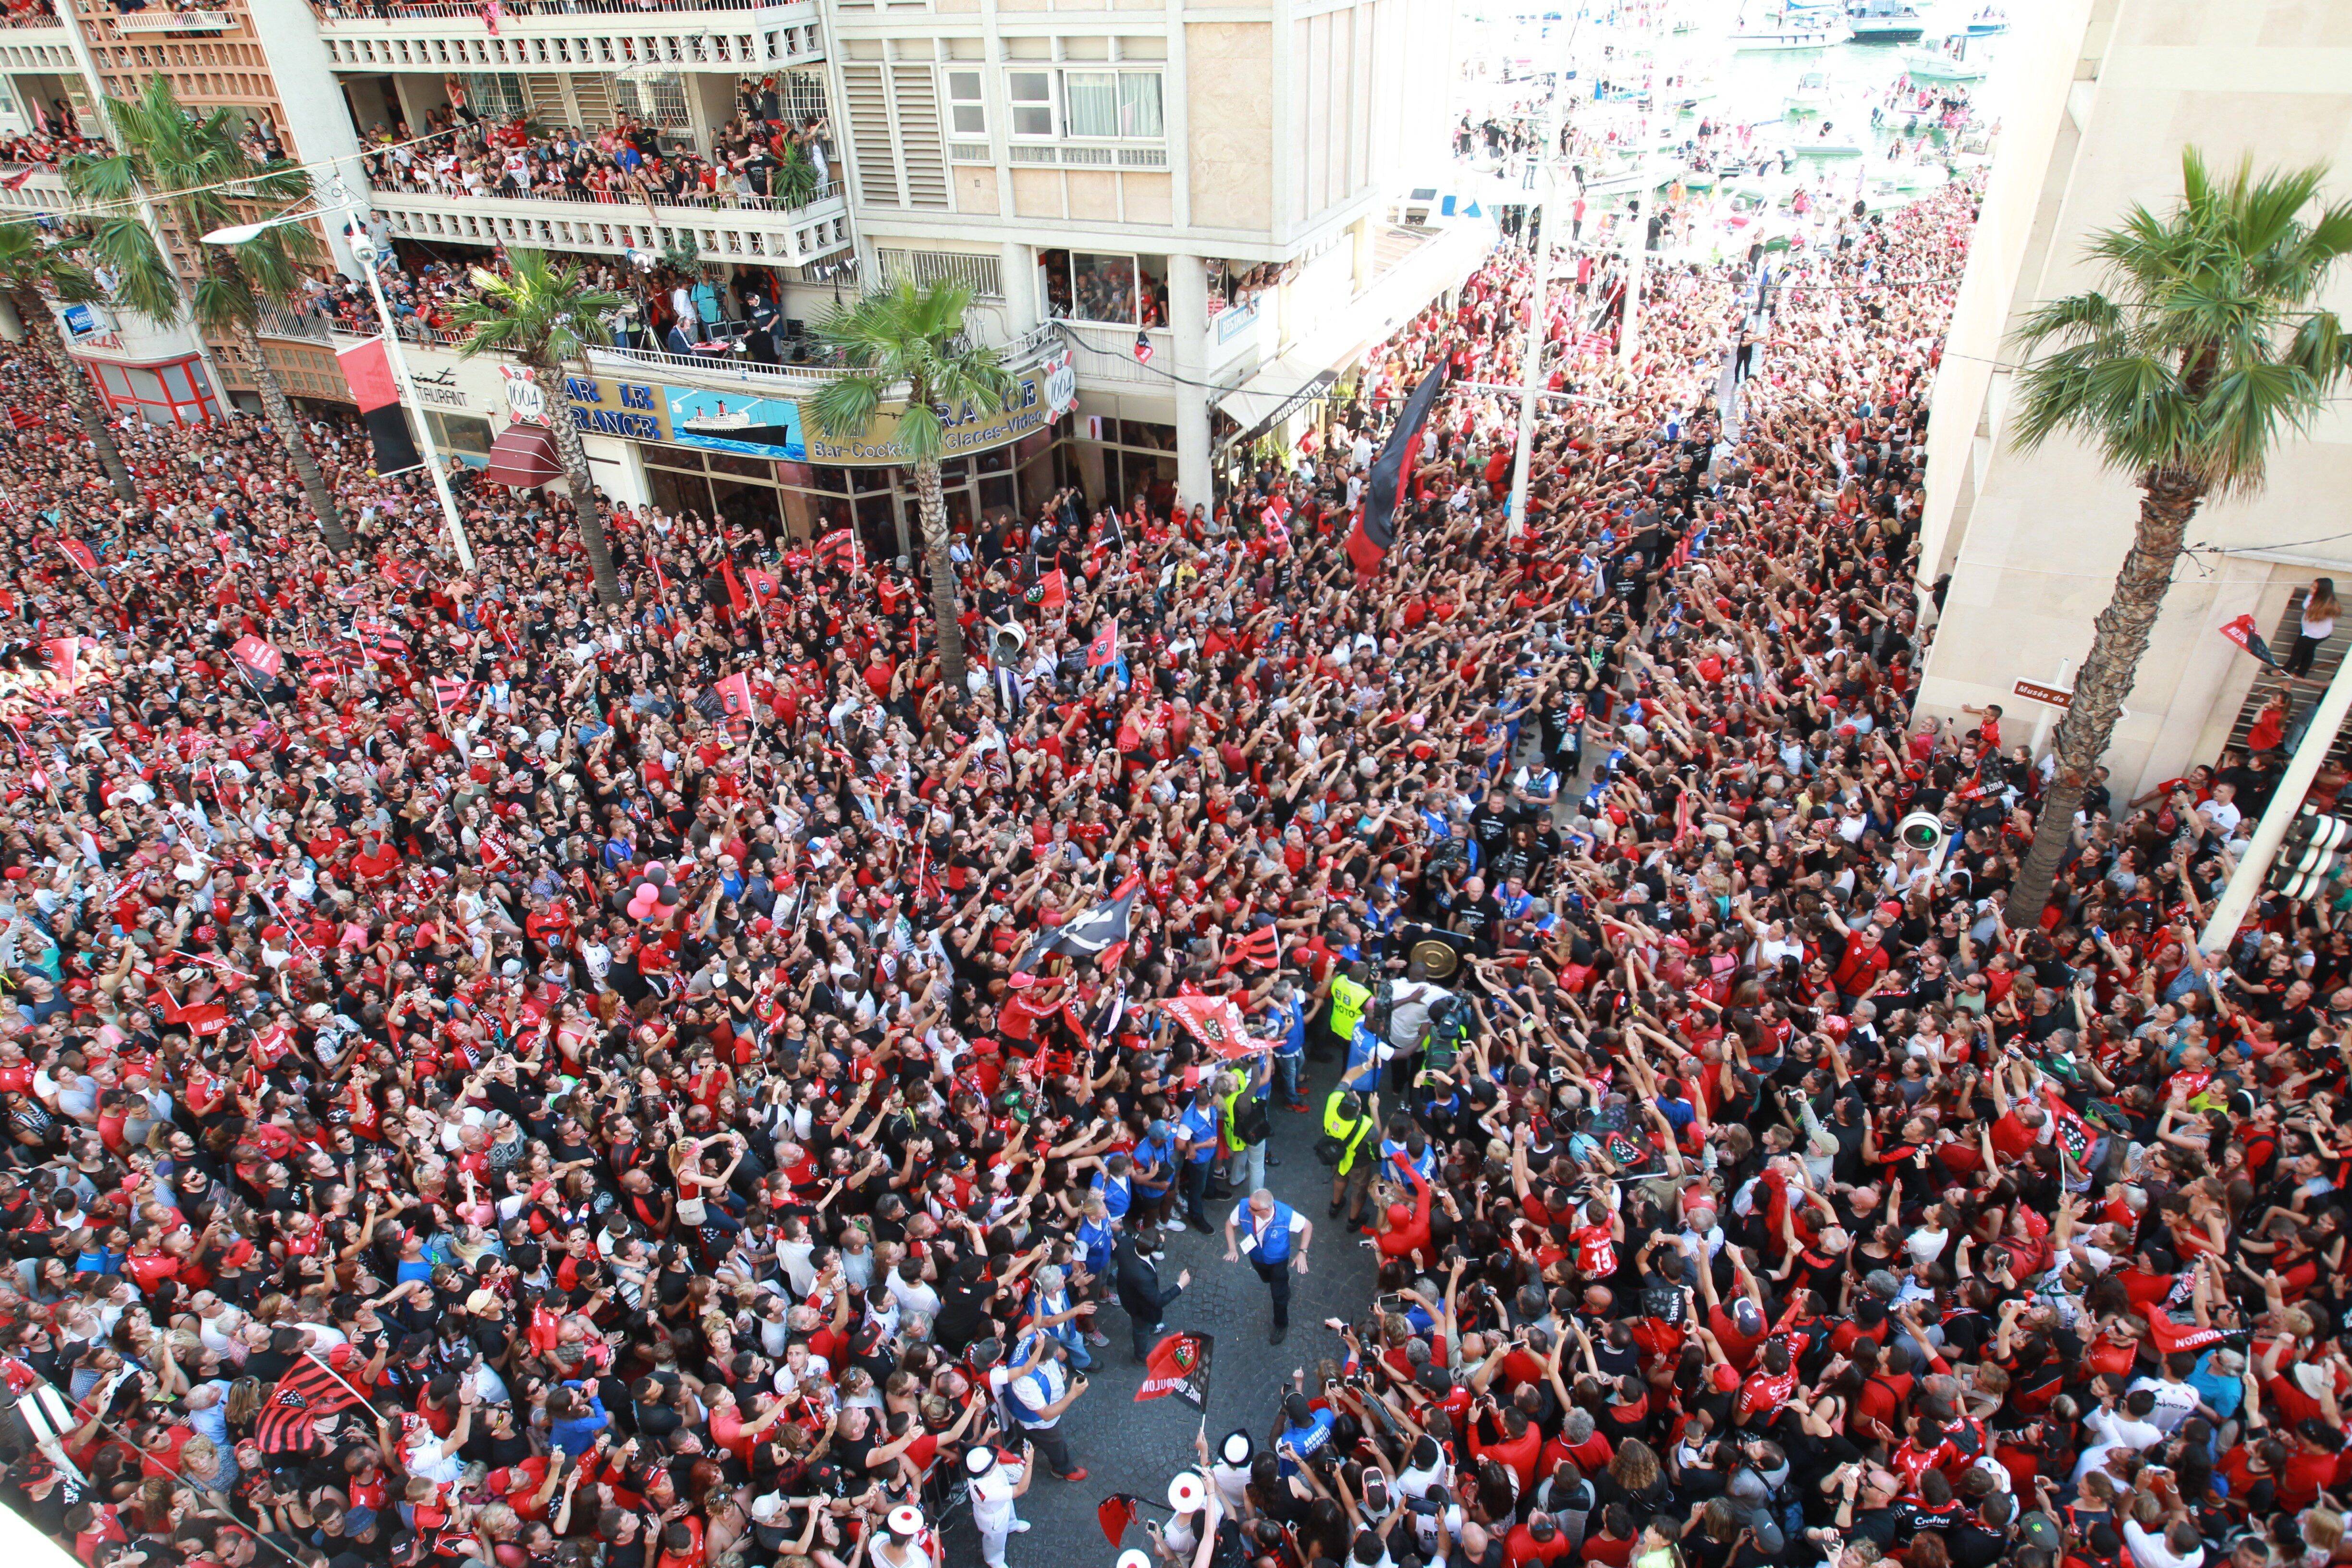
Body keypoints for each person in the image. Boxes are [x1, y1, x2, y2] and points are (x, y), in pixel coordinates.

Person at [1224, 1186, 1311, 1345]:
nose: (1248, 1210)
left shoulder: (1285, 1215)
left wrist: (1303, 1252)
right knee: (1266, 1279)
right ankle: (1282, 1286)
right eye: (1249, 1206)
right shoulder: (1244, 1207)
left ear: (1267, 1209)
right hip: (1256, 1257)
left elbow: (1308, 1226)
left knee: (1278, 1295)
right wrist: (1232, 1249)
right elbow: (1230, 1225)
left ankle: (1281, 1324)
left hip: (1278, 1260)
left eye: (1253, 1209)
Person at [1112, 1225, 1190, 1362]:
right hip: (1139, 1308)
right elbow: (1158, 1301)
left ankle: (1152, 1327)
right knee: (1141, 1329)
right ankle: (1141, 1357)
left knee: (1147, 1322)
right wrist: (1180, 1285)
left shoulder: (1125, 1243)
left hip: (1126, 1292)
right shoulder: (1144, 1277)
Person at [964, 1443, 1034, 1568]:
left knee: (1010, 1512)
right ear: (988, 1470)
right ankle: (994, 1561)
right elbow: (1021, 1489)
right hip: (994, 1517)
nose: (997, 1457)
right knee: (995, 1541)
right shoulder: (987, 1490)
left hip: (1002, 1502)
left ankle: (1012, 1525)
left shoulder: (977, 1468)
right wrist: (1029, 1463)